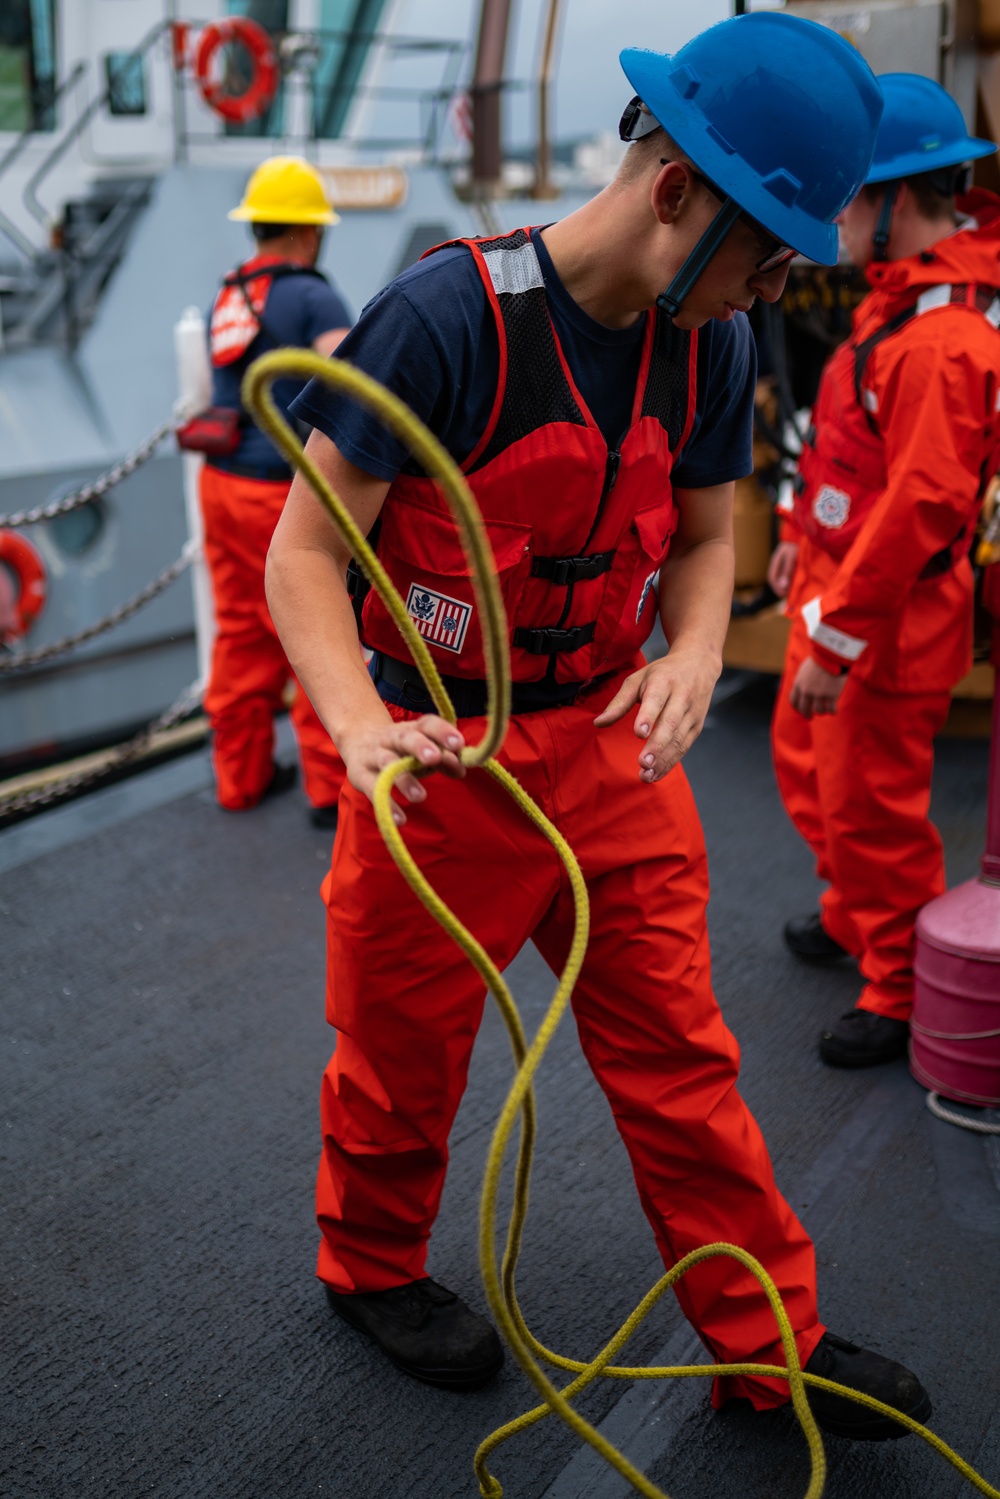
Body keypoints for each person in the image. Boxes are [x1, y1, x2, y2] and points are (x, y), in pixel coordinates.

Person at [267, 15, 930, 1439]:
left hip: (610, 758)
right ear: (677, 192)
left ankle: (772, 1338)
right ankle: (370, 1264)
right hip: (437, 761)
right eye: (767, 250)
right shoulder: (446, 321)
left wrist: (695, 645)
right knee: (400, 1043)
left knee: (682, 1055)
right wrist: (358, 729)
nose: (776, 283)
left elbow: (702, 537)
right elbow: (304, 556)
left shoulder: (712, 341)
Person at [768, 75, 1000, 1068]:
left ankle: (898, 984)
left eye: (850, 196)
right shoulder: (899, 304)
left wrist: (837, 636)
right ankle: (851, 909)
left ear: (895, 200)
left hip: (885, 615)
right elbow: (848, 448)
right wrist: (792, 524)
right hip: (832, 577)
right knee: (804, 762)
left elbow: (918, 509)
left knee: (871, 802)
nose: (836, 213)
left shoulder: (942, 341)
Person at [200, 155, 351, 824]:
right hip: (276, 494)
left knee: (239, 631)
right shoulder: (314, 293)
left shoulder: (229, 292)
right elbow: (353, 378)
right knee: (314, 629)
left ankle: (241, 778)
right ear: (310, 233)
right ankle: (327, 791)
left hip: (220, 485)